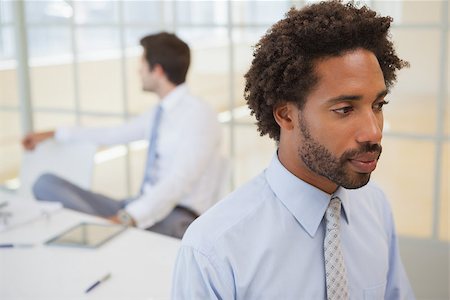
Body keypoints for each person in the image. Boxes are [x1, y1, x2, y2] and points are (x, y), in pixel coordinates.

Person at [172, 1, 415, 299]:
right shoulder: (214, 249)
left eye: (377, 105)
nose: (374, 131)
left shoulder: (375, 206)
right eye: (344, 109)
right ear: (286, 115)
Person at [22, 32, 222, 239]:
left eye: (142, 64)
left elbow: (178, 182)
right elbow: (113, 134)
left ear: (157, 70)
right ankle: (102, 229)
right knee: (45, 184)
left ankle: (103, 230)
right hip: (138, 205)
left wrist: (128, 217)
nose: (139, 71)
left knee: (108, 224)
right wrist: (54, 133)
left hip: (176, 217)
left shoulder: (199, 115)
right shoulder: (160, 113)